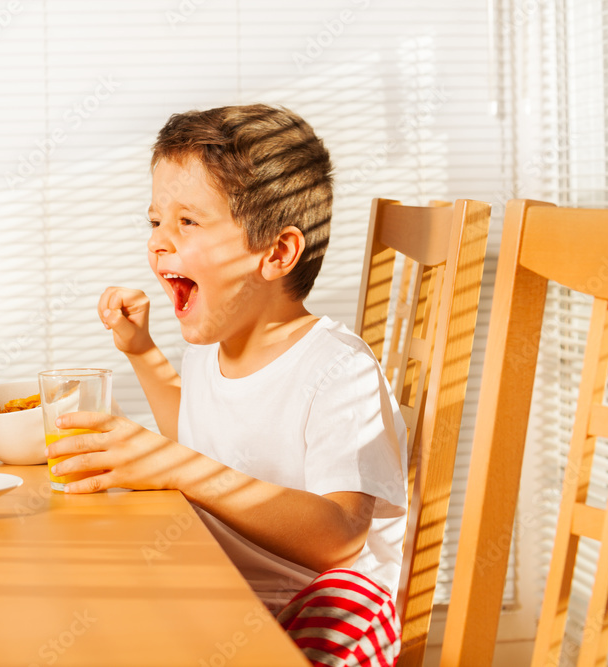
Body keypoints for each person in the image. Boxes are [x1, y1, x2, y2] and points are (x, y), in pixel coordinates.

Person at [45, 103, 407, 612]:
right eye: (155, 221)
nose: (156, 242)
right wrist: (142, 352)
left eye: (187, 221)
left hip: (314, 618)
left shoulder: (336, 370)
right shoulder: (213, 347)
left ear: (276, 254)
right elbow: (195, 436)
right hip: (229, 598)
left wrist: (172, 466)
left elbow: (339, 534)